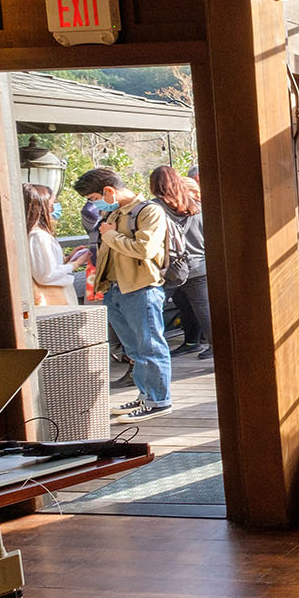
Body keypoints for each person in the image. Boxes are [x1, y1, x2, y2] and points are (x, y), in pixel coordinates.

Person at [74, 168, 173, 420]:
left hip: (141, 287)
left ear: (109, 191)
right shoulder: (114, 211)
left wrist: (110, 235)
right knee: (135, 349)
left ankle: (158, 400)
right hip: (116, 287)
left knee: (149, 346)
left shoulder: (149, 211)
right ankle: (145, 395)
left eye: (93, 196)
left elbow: (145, 249)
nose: (92, 203)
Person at [151, 165, 212, 359]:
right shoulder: (196, 205)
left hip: (169, 268)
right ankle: (212, 344)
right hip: (199, 265)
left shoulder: (154, 208)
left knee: (155, 308)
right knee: (203, 309)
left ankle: (176, 345)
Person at [23, 183, 88, 306]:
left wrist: (66, 260)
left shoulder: (35, 234)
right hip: (52, 301)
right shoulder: (38, 236)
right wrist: (75, 264)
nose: (54, 209)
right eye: (52, 204)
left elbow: (43, 267)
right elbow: (46, 275)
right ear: (41, 207)